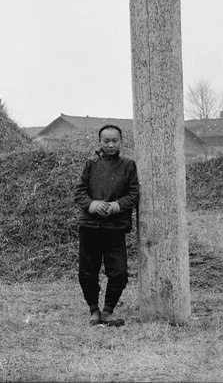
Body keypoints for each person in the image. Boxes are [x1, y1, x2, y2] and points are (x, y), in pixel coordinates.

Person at [73, 123, 140, 326]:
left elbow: (134, 194)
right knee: (87, 272)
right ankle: (94, 310)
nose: (111, 145)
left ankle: (108, 310)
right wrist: (93, 205)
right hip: (90, 227)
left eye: (115, 141)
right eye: (106, 141)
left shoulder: (128, 165)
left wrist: (115, 206)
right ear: (100, 142)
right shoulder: (90, 164)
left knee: (119, 273)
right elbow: (79, 192)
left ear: (121, 142)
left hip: (115, 228)